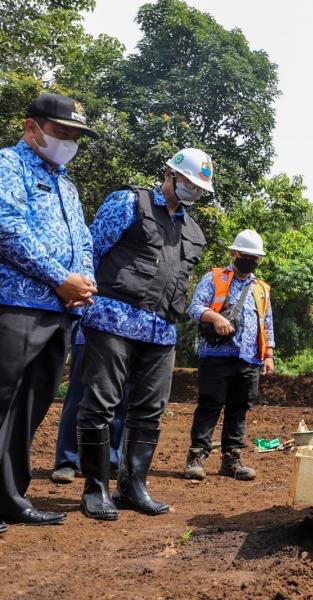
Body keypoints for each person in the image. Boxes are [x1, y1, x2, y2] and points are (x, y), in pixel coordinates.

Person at [77, 148, 212, 521]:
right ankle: (96, 488)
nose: (194, 192)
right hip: (112, 319)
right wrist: (81, 305)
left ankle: (133, 486)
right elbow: (91, 249)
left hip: (161, 332)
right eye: (189, 183)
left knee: (151, 410)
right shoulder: (129, 203)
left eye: (200, 188)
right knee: (101, 403)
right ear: (169, 174)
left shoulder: (194, 232)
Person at [0, 93, 98, 528]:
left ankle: (11, 497)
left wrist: (84, 286)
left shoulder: (67, 183)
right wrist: (60, 277)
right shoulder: (9, 165)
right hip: (17, 304)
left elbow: (85, 241)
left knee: (30, 407)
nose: (69, 142)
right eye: (61, 133)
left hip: (59, 312)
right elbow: (8, 228)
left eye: (76, 136)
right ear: (31, 128)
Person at [184, 229, 275, 481]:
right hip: (216, 355)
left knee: (239, 408)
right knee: (209, 405)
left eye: (255, 258)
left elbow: (266, 323)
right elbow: (195, 307)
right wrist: (215, 318)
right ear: (234, 253)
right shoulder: (214, 278)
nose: (250, 261)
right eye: (246, 256)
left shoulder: (261, 289)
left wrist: (268, 355)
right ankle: (196, 457)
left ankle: (231, 459)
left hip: (249, 358)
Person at [50, 323, 128, 483]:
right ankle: (68, 461)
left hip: (129, 334)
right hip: (89, 331)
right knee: (78, 395)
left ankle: (111, 461)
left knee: (120, 398)